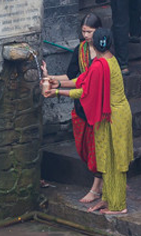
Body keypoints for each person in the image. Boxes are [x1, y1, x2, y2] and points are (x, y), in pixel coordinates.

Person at [46, 28, 133, 215]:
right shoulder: (109, 60)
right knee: (106, 158)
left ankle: (118, 206)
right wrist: (57, 82)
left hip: (113, 116)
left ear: (93, 45)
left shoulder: (100, 65)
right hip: (112, 113)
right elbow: (83, 79)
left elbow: (84, 91)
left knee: (114, 161)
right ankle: (107, 199)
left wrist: (57, 91)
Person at [44, 14, 103, 204]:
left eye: (90, 32)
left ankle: (96, 189)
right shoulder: (80, 50)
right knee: (84, 148)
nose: (86, 35)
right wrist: (50, 78)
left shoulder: (104, 53)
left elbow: (90, 82)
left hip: (99, 106)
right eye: (84, 31)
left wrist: (59, 90)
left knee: (98, 149)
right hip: (81, 105)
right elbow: (73, 77)